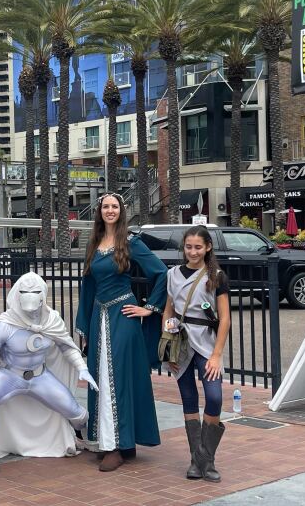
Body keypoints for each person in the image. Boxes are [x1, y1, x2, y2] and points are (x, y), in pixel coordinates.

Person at [0, 272, 97, 483]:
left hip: (39, 376)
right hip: (9, 375)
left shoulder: (52, 321)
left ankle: (80, 438)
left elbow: (67, 346)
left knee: (77, 413)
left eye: (35, 293)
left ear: (42, 297)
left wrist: (81, 367)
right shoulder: (5, 324)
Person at [75, 192, 168, 472]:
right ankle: (110, 441)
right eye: (106, 206)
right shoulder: (94, 243)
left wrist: (149, 308)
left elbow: (160, 272)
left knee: (119, 377)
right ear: (100, 211)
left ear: (121, 210)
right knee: (101, 376)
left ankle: (117, 445)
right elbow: (88, 287)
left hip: (123, 316)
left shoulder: (130, 242)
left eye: (115, 206)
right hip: (98, 317)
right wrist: (85, 324)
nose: (110, 210)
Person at [162, 225, 232, 484]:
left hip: (205, 343)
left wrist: (216, 355)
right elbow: (168, 311)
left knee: (214, 398)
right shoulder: (172, 275)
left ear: (208, 247)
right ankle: (200, 462)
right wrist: (168, 343)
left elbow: (224, 319)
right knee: (189, 399)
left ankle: (203, 459)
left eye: (198, 247)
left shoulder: (216, 276)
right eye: (189, 247)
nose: (193, 251)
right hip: (180, 343)